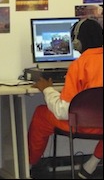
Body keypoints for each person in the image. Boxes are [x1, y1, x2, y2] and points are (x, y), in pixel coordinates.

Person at [28, 18, 103, 179]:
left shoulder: (79, 66)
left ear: (77, 42)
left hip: (81, 125)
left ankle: (32, 165)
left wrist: (47, 89)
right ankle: (92, 163)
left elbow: (63, 111)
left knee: (41, 114)